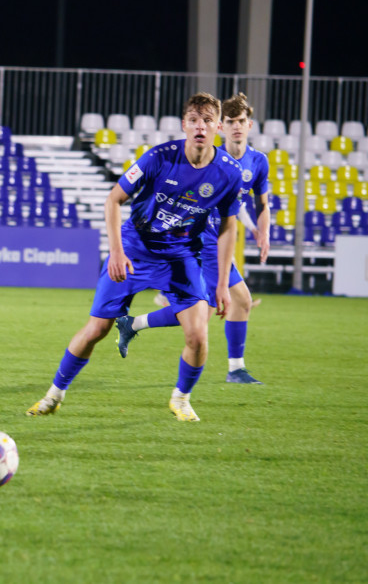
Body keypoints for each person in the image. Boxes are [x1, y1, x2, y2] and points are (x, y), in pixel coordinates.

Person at [26, 92, 244, 422]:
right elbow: (113, 201)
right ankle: (54, 395)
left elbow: (229, 227)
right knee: (97, 330)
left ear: (218, 127)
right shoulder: (158, 158)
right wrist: (116, 251)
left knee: (198, 334)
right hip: (135, 250)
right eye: (195, 120)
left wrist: (223, 283)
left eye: (208, 121)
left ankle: (181, 399)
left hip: (180, 256)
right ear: (184, 124)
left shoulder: (229, 173)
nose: (201, 127)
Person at [114, 93, 271, 384]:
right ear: (221, 127)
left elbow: (263, 204)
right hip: (205, 241)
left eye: (241, 122)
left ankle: (133, 324)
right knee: (228, 304)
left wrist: (265, 231)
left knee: (211, 309)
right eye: (230, 122)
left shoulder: (257, 162)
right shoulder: (210, 157)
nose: (236, 127)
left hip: (221, 240)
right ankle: (235, 369)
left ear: (250, 125)